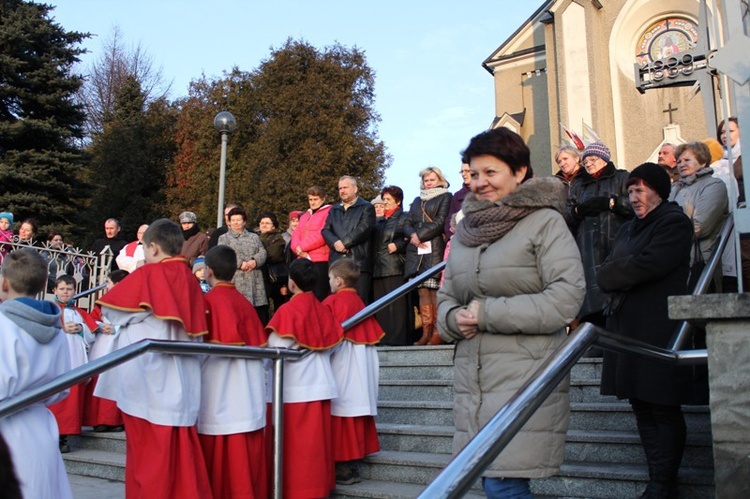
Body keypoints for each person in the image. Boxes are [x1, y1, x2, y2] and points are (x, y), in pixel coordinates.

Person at [437, 127, 585, 498]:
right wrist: (453, 319)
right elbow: (447, 297)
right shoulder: (467, 230)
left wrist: (486, 314)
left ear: (519, 172)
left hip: (525, 373)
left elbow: (566, 297)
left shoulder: (545, 222)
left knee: (504, 483)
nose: (479, 182)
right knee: (495, 481)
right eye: (473, 173)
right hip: (475, 380)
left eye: (491, 172)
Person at [94, 218, 212, 499]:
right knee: (179, 464)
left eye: (145, 251)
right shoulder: (189, 279)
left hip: (148, 384)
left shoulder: (150, 275)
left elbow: (112, 311)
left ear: (155, 249)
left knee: (147, 466)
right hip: (181, 383)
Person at [597, 163, 694, 498]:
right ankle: (658, 478)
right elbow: (611, 267)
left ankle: (663, 483)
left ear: (658, 189)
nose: (634, 197)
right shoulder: (628, 229)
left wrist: (613, 273)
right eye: (630, 191)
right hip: (627, 324)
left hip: (658, 324)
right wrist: (616, 271)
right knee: (641, 404)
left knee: (662, 405)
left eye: (640, 189)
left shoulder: (673, 222)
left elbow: (647, 265)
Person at [266, 258, 343, 499]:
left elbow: (275, 349)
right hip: (321, 384)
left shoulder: (287, 311)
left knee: (297, 450)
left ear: (291, 283)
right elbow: (332, 346)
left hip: (295, 388)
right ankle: (319, 488)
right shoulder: (322, 309)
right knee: (317, 447)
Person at [0, 249, 74, 499]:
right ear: (45, 284)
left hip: (6, 432)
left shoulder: (3, 325)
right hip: (40, 428)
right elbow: (62, 385)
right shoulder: (57, 329)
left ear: (4, 283)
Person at [198, 245, 268, 499]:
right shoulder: (246, 306)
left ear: (208, 271)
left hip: (217, 396)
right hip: (247, 398)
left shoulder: (206, 303)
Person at [323, 259, 383, 484]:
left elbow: (325, 335)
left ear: (338, 281)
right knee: (355, 407)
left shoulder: (333, 301)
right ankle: (357, 456)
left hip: (343, 361)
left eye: (330, 278)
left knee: (343, 408)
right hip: (361, 359)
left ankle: (344, 466)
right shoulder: (359, 302)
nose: (328, 282)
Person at [565, 141, 633, 333]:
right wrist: (579, 210)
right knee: (591, 296)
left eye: (593, 159)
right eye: (585, 161)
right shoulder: (578, 184)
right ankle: (593, 338)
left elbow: (634, 204)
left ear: (604, 159)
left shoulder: (621, 177)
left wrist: (612, 203)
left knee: (615, 294)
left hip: (616, 242)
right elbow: (567, 214)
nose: (588, 164)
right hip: (587, 248)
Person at [668, 141, 728, 291]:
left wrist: (665, 236)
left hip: (701, 261)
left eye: (687, 160)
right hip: (675, 260)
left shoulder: (714, 185)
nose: (681, 164)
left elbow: (700, 227)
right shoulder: (674, 188)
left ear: (702, 162)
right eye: (679, 161)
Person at [48, 274, 97, 453]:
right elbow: (41, 331)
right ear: (54, 290)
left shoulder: (79, 312)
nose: (65, 292)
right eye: (62, 289)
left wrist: (81, 328)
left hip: (75, 359)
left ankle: (65, 436)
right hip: (57, 361)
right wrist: (61, 328)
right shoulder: (49, 309)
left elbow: (92, 334)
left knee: (71, 399)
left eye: (69, 289)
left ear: (74, 291)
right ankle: (53, 435)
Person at [404, 166, 452, 345]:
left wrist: (419, 235)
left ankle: (438, 332)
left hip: (435, 248)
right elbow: (407, 222)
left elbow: (441, 222)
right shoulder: (417, 200)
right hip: (417, 251)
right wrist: (412, 236)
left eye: (432, 179)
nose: (429, 183)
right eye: (426, 180)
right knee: (422, 290)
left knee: (435, 290)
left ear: (439, 180)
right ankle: (426, 332)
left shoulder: (446, 196)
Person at [83, 269, 129, 433]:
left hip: (119, 343)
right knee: (101, 379)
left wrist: (116, 328)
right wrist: (101, 326)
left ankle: (115, 419)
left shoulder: (132, 301)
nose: (106, 286)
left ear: (117, 284)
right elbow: (92, 318)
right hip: (104, 342)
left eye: (108, 282)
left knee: (115, 380)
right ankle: (98, 419)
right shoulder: (104, 300)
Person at [322, 175, 377, 303]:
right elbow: (325, 230)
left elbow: (364, 228)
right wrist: (335, 243)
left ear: (355, 188)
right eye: (340, 188)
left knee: (358, 304)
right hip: (337, 262)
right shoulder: (334, 210)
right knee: (337, 304)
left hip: (358, 263)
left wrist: (345, 243)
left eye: (345, 187)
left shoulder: (367, 207)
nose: (342, 191)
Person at [372, 185, 410, 345]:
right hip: (378, 267)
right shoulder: (379, 221)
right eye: (384, 199)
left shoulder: (404, 217)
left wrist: (398, 245)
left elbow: (410, 238)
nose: (385, 202)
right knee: (381, 305)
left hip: (395, 266)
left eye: (388, 199)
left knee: (397, 306)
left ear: (398, 201)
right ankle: (384, 337)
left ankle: (398, 339)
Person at [218, 207, 269, 324]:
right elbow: (223, 254)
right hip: (235, 279)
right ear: (229, 222)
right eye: (233, 220)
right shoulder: (223, 238)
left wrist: (255, 261)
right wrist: (240, 264)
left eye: (238, 220)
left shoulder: (254, 237)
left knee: (257, 314)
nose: (236, 223)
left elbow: (262, 252)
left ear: (244, 221)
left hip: (255, 279)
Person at [292, 186, 332, 301]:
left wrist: (302, 247)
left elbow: (323, 234)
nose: (312, 202)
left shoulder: (329, 212)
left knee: (320, 295)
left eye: (315, 199)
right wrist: (297, 248)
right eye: (310, 199)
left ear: (323, 199)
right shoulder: (304, 216)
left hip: (320, 260)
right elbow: (296, 233)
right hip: (303, 259)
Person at [257, 211, 289, 313]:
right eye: (262, 223)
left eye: (267, 223)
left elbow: (273, 255)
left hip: (275, 277)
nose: (264, 225)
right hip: (260, 277)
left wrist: (257, 257)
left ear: (273, 226)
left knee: (278, 306)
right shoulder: (254, 237)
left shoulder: (278, 238)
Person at [444, 162, 471, 242]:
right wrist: (451, 236)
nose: (463, 174)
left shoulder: (486, 192)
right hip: (460, 241)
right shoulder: (457, 195)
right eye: (461, 171)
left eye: (467, 171)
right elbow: (449, 219)